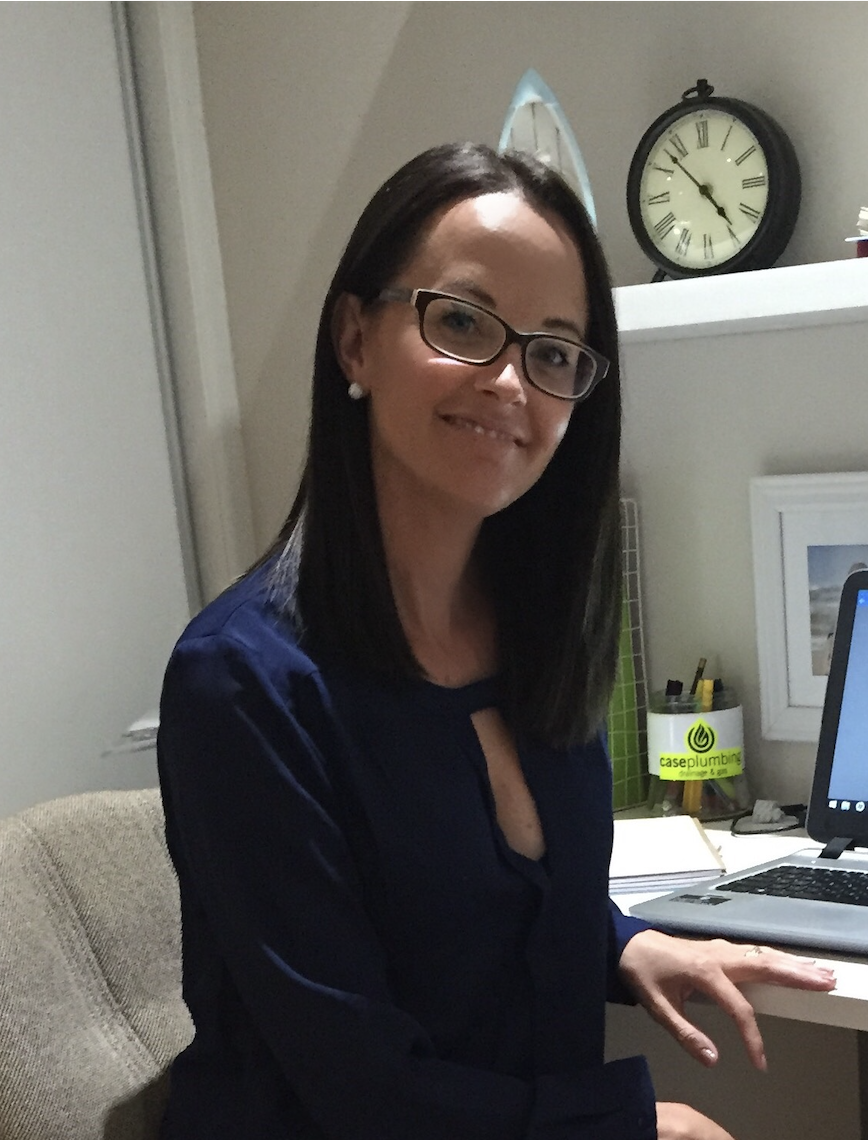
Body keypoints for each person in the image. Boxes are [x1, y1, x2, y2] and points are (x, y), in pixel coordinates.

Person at [156, 142, 835, 1140]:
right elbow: (359, 1086)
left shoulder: (535, 637)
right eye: (463, 322)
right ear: (354, 341)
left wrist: (621, 944)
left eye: (553, 351)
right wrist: (642, 1129)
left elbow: (477, 910)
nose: (511, 381)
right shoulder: (242, 685)